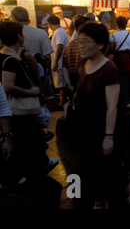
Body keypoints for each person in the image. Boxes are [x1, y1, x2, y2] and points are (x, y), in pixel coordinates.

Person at [73, 22, 130, 209]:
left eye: (85, 41)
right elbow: (81, 89)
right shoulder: (83, 63)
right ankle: (99, 199)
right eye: (79, 41)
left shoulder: (110, 69)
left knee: (110, 165)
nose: (81, 45)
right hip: (86, 125)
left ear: (100, 44)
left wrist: (108, 136)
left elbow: (112, 106)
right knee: (90, 166)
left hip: (106, 125)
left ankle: (125, 184)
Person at [0, 22, 58, 182]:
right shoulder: (11, 59)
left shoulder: (4, 55)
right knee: (25, 139)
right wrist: (30, 92)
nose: (24, 36)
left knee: (21, 140)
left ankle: (24, 170)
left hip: (12, 109)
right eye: (22, 34)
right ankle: (19, 174)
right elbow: (8, 86)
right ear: (18, 36)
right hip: (18, 109)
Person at [112, 17, 130, 109]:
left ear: (117, 25)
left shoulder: (114, 35)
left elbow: (111, 49)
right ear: (126, 24)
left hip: (120, 59)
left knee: (123, 80)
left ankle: (125, 101)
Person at [62, 16, 91, 96]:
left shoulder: (69, 45)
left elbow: (64, 66)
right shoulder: (90, 44)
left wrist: (68, 84)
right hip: (85, 79)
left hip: (73, 80)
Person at [48, 15, 70, 107]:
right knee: (61, 84)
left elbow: (59, 47)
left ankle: (72, 98)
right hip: (60, 63)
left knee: (61, 85)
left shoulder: (58, 32)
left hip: (60, 63)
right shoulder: (60, 31)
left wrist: (55, 63)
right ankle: (63, 100)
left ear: (50, 24)